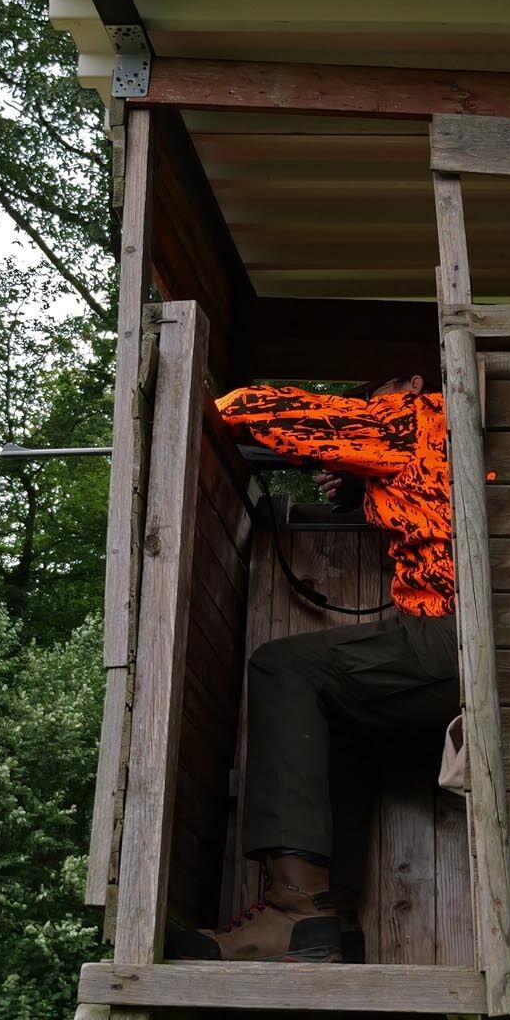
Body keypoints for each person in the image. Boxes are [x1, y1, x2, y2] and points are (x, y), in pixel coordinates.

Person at [172, 371, 456, 963]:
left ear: (411, 382)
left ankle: (294, 908)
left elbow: (269, 412)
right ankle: (330, 924)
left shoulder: (415, 415)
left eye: (370, 398)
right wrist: (367, 484)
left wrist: (194, 396)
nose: (363, 408)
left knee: (284, 666)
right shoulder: (451, 442)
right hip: (492, 641)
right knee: (343, 718)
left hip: (457, 634)